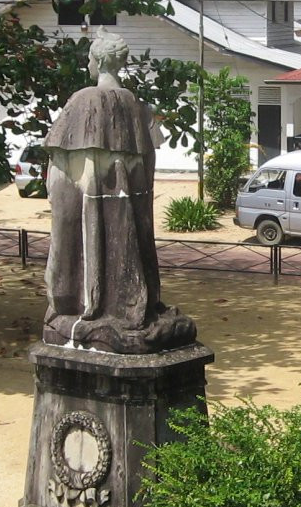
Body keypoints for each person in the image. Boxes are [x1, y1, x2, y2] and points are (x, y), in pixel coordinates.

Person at [41, 32, 196, 353]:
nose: (87, 63)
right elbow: (147, 164)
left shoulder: (84, 100)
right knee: (128, 244)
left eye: (89, 58)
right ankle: (124, 302)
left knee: (85, 248)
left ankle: (90, 305)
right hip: (128, 208)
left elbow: (60, 167)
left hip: (89, 200)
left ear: (98, 61)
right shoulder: (136, 105)